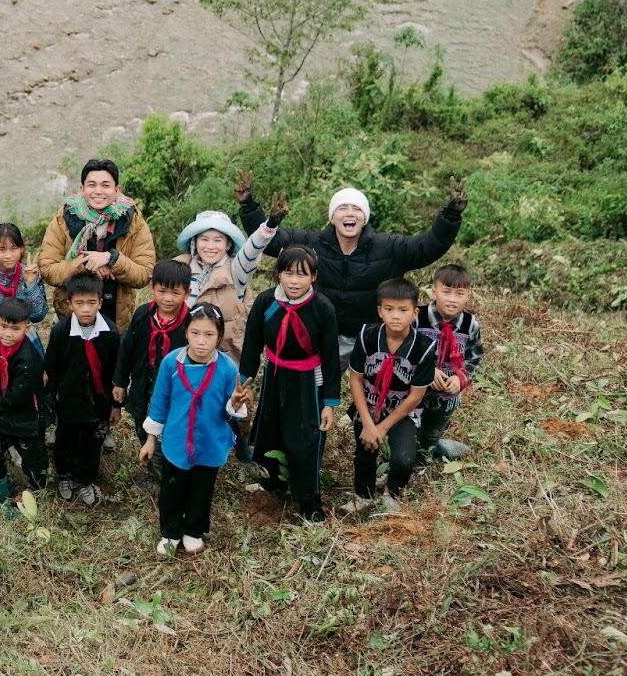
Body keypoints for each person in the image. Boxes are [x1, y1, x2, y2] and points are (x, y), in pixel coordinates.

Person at [237, 173, 468, 360]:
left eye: (357, 209)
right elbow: (270, 242)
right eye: (342, 208)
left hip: (371, 337)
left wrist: (450, 216)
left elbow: (428, 247)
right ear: (332, 217)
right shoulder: (311, 242)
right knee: (315, 393)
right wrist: (249, 207)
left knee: (374, 397)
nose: (349, 213)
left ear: (365, 218)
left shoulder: (388, 247)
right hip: (322, 334)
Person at [239, 246, 341, 523]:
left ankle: (309, 500)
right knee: (270, 429)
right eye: (287, 273)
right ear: (277, 274)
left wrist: (330, 403)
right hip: (275, 376)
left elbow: (331, 358)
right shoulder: (265, 302)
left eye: (302, 274)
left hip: (308, 382)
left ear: (314, 277)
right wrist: (243, 382)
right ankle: (274, 482)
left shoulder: (322, 308)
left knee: (304, 440)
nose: (294, 281)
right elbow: (251, 345)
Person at [142, 304, 251, 555]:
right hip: (176, 440)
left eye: (209, 335)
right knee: (172, 488)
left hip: (210, 440)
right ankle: (170, 532)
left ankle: (193, 529)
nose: (201, 341)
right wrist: (150, 439)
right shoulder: (171, 363)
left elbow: (230, 407)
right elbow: (159, 403)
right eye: (195, 333)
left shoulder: (227, 368)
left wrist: (235, 404)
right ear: (186, 333)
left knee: (202, 488)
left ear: (219, 336)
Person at [345, 279, 438, 513]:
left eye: (403, 310)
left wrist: (383, 427)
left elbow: (416, 396)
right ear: (380, 310)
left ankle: (393, 492)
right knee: (365, 450)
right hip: (370, 404)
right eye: (389, 309)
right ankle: (363, 495)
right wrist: (368, 423)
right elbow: (355, 379)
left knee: (404, 459)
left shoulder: (424, 347)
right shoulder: (367, 336)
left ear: (415, 313)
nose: (396, 316)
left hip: (403, 409)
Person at [39, 159, 156, 334]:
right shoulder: (64, 218)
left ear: (117, 190)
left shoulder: (133, 221)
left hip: (117, 318)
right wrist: (87, 263)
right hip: (71, 318)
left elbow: (144, 274)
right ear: (82, 189)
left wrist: (111, 259)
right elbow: (48, 269)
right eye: (91, 185)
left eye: (106, 185)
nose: (98, 191)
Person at [173, 183, 285, 359]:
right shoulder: (180, 269)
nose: (210, 246)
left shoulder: (236, 270)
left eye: (218, 240)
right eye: (204, 239)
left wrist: (269, 226)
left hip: (225, 359)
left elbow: (251, 251)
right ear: (195, 242)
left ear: (228, 245)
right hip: (184, 356)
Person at [46, 272, 122, 507]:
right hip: (69, 399)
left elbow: (116, 372)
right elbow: (52, 367)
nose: (86, 309)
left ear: (100, 302)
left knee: (92, 442)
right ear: (70, 304)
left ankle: (85, 479)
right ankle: (64, 476)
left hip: (99, 401)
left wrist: (115, 405)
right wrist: (53, 399)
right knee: (65, 439)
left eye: (91, 303)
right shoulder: (61, 333)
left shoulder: (110, 333)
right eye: (79, 303)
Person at [113, 259, 193, 475]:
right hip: (142, 383)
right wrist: (120, 382)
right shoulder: (142, 315)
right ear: (153, 288)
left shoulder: (191, 324)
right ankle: (151, 470)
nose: (167, 298)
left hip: (174, 391)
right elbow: (127, 349)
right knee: (143, 425)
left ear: (187, 293)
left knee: (169, 431)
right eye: (162, 291)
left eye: (175, 293)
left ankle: (167, 472)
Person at [0, 296, 51, 511]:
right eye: (4, 327)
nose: (8, 334)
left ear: (27, 327)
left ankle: (37, 487)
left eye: (15, 329)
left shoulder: (29, 359)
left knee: (33, 455)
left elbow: (16, 397)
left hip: (25, 416)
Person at [416, 263, 484, 462]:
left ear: (468, 295)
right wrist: (427, 370)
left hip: (447, 396)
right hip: (414, 393)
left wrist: (460, 379)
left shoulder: (470, 324)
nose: (452, 299)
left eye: (459, 293)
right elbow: (402, 351)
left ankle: (426, 455)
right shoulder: (416, 318)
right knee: (408, 427)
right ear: (433, 291)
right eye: (446, 292)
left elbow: (475, 357)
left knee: (432, 431)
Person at [0, 223, 48, 325]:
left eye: (13, 249)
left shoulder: (30, 274)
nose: (8, 255)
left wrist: (30, 284)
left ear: (21, 249)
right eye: (2, 249)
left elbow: (38, 316)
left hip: (21, 334)